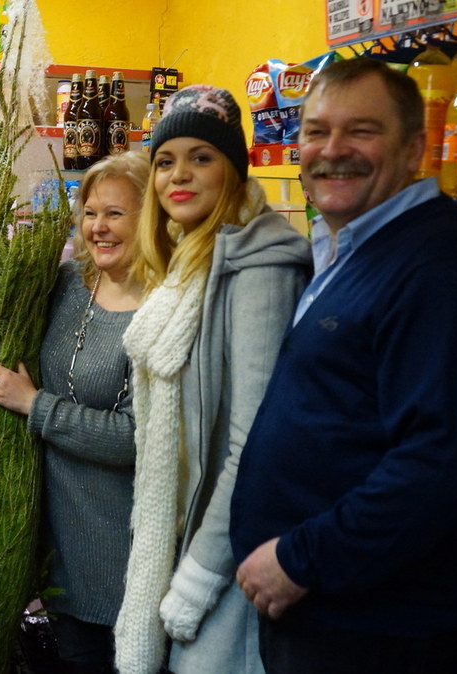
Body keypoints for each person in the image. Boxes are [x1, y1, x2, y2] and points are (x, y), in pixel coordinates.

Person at [231, 57, 457, 674]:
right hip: (324, 614)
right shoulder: (356, 248)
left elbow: (440, 463)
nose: (333, 150)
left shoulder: (445, 266)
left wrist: (300, 560)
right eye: (316, 131)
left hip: (373, 628)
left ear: (415, 146)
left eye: (361, 131)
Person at [111, 84, 313, 674]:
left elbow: (253, 446)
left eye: (203, 158)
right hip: (184, 530)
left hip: (226, 556)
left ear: (233, 169)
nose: (181, 175)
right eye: (166, 161)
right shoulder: (185, 260)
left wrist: (199, 575)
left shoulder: (261, 268)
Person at [0, 150, 150, 673]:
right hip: (59, 549)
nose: (98, 227)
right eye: (90, 212)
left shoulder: (165, 307)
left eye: (116, 213)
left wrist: (34, 405)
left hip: (120, 550)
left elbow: (134, 437)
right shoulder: (70, 283)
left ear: (151, 217)